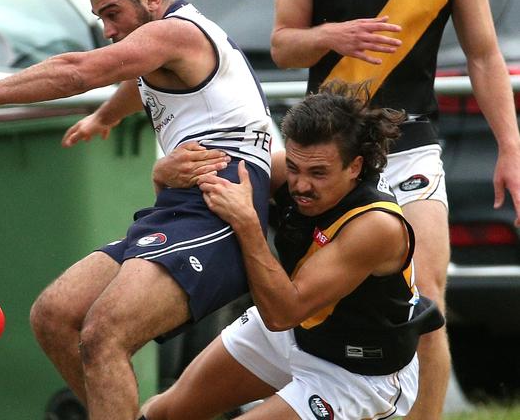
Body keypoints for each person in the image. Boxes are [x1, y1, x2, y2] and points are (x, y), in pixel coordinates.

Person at [0, 0, 273, 419]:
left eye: (112, 13)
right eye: (100, 17)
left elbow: (79, 71)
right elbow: (142, 84)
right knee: (53, 316)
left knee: (103, 333)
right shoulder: (172, 44)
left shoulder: (175, 33)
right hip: (181, 206)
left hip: (221, 211)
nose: (107, 29)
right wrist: (107, 117)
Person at [269, 0, 520, 417]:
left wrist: (511, 148)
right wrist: (330, 37)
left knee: (425, 304)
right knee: (309, 301)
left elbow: (485, 57)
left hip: (411, 146)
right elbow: (282, 46)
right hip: (332, 156)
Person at [140, 81, 445, 420]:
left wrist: (247, 224)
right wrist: (163, 173)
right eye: (296, 168)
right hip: (292, 334)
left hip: (354, 372)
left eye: (318, 173)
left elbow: (283, 311)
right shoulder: (289, 170)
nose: (300, 184)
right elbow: (193, 195)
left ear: (355, 167)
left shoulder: (376, 226)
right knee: (166, 412)